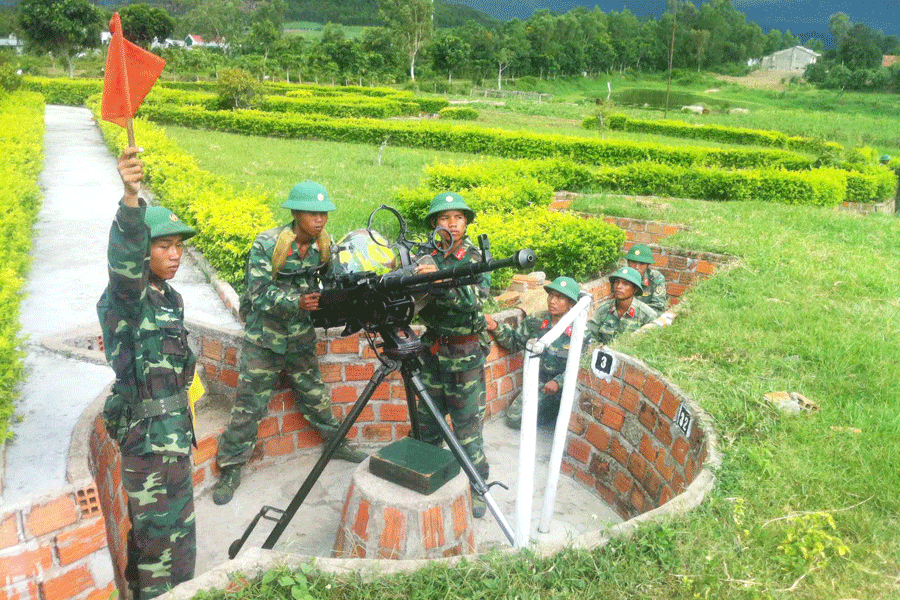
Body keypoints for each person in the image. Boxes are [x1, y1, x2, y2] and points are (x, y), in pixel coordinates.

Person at [212, 181, 366, 506]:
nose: (320, 220)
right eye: (312, 213)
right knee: (248, 407)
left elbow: (335, 282)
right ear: (295, 213)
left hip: (299, 339)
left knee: (316, 396)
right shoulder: (268, 244)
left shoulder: (325, 245)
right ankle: (231, 467)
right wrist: (298, 301)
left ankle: (336, 443)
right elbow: (258, 293)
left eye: (323, 213)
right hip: (264, 339)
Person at [97, 147, 198, 599]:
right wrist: (130, 199)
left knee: (179, 538)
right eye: (164, 246)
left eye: (179, 246)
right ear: (144, 251)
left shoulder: (169, 297)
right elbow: (122, 260)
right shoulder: (128, 296)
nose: (175, 255)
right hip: (146, 437)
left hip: (175, 434)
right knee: (158, 545)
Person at [414, 192, 491, 518]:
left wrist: (440, 281)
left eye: (458, 217)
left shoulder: (473, 257)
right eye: (445, 218)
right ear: (434, 223)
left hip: (465, 354)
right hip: (432, 352)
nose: (452, 223)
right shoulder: (424, 256)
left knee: (467, 430)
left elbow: (475, 299)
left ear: (466, 222)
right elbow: (412, 302)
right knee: (426, 426)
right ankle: (423, 478)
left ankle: (478, 487)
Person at [485, 276, 580, 429]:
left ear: (571, 304)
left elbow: (581, 366)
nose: (552, 301)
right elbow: (515, 342)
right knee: (514, 419)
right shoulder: (536, 320)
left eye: (560, 297)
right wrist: (495, 326)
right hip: (541, 384)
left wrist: (558, 382)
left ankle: (552, 410)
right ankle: (545, 409)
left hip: (567, 386)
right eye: (551, 295)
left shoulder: (579, 330)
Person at [586, 267, 657, 346]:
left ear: (635, 289)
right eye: (617, 282)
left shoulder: (647, 315)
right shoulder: (603, 308)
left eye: (625, 284)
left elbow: (650, 346)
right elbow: (590, 335)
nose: (619, 286)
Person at [624, 243, 667, 315]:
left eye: (642, 263)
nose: (637, 267)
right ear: (628, 262)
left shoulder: (656, 278)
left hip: (647, 317)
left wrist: (635, 313)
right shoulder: (622, 277)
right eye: (633, 262)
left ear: (648, 265)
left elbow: (658, 307)